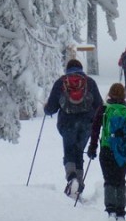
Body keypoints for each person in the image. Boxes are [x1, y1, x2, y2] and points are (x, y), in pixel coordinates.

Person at [43, 59, 103, 198]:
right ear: (81, 68)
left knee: (69, 151)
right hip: (87, 123)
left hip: (67, 123)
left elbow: (51, 108)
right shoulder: (89, 82)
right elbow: (99, 105)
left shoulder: (61, 82)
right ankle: (79, 184)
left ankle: (72, 179)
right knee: (79, 151)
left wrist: (46, 109)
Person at [86, 83, 126, 221]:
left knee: (109, 180)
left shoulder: (103, 110)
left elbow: (95, 130)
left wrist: (92, 147)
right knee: (120, 180)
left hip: (107, 150)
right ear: (124, 95)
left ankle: (111, 213)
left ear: (109, 94)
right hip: (124, 152)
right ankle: (121, 214)